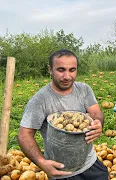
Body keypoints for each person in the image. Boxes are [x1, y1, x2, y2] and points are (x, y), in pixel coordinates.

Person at [17, 49, 109, 180]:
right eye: (61, 70)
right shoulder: (40, 100)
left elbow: (96, 113)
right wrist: (42, 162)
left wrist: (98, 122)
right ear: (50, 69)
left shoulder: (84, 89)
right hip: (62, 172)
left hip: (90, 164)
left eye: (72, 70)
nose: (67, 76)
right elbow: (24, 134)